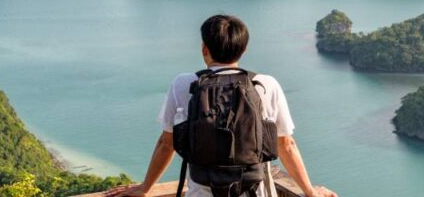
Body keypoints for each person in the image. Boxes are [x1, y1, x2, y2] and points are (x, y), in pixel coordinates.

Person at [121, 14, 337, 197]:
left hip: (202, 190)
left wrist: (144, 188)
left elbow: (166, 143)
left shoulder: (183, 84)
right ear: (243, 50)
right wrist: (310, 192)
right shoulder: (265, 84)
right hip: (254, 189)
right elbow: (286, 144)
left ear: (204, 49)